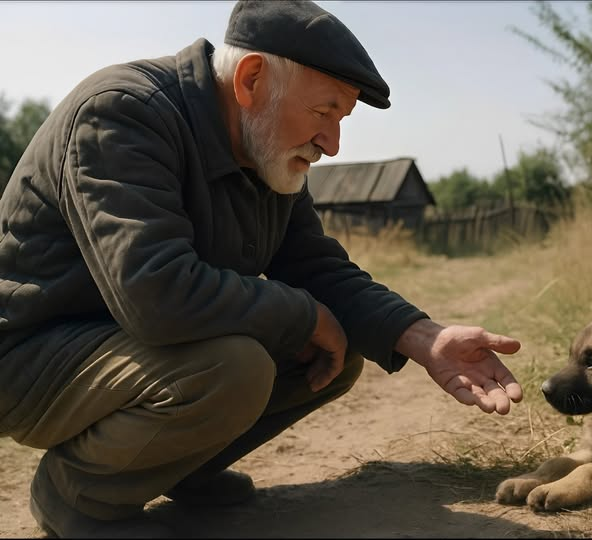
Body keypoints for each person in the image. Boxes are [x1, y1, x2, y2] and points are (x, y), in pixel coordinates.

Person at [0, 1, 524, 537]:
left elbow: (315, 267)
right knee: (236, 364)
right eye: (324, 113)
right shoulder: (123, 113)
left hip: (126, 349)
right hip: (33, 356)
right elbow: (155, 293)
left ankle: (178, 466)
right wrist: (302, 315)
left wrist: (422, 337)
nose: (333, 144)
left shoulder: (265, 147)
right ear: (252, 79)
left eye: (341, 121)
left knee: (336, 350)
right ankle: (77, 495)